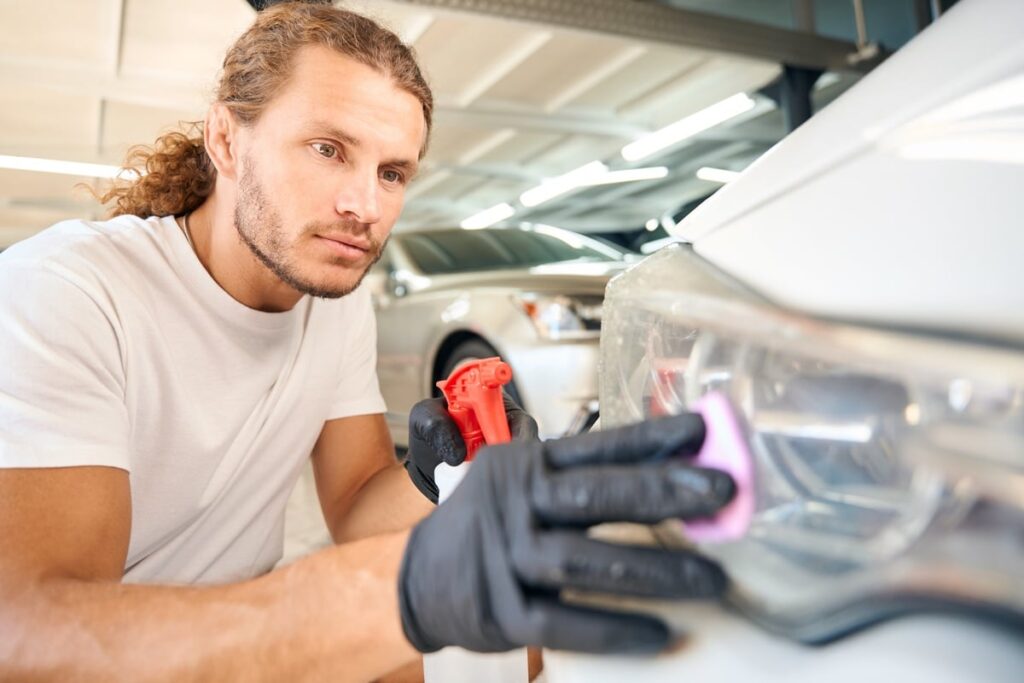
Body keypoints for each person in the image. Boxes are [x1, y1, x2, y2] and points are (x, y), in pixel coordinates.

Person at [0, 3, 735, 681]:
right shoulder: (69, 290)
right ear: (224, 138)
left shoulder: (334, 301)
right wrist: (388, 592)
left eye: (392, 172)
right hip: (139, 659)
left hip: (260, 643)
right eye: (328, 148)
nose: (365, 206)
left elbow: (354, 502)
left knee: (532, 638)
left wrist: (434, 475)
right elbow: (27, 630)